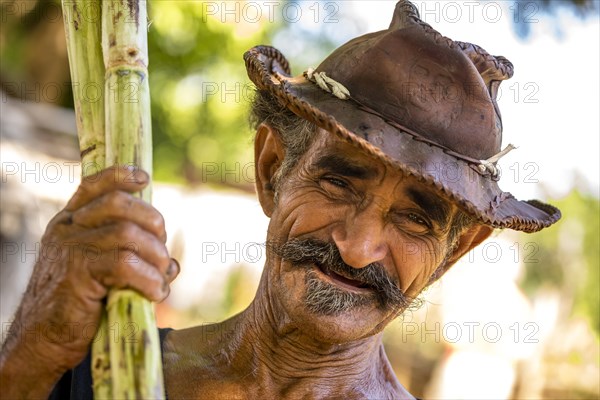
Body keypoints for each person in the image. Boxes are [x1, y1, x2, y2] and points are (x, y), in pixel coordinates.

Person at [0, 1, 561, 398]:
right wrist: (35, 348)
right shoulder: (105, 375)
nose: (360, 248)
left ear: (455, 252)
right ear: (272, 169)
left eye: (415, 219)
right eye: (339, 183)